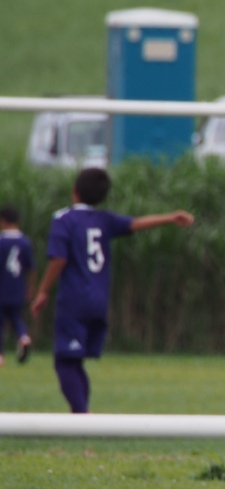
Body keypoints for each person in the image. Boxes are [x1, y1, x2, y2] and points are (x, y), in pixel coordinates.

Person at [31, 168, 194, 413]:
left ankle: (83, 417)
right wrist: (170, 217)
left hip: (75, 300)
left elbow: (59, 259)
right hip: (99, 301)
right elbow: (135, 223)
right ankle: (83, 414)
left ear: (75, 191)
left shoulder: (64, 219)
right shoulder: (103, 219)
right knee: (75, 362)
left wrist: (43, 291)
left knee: (64, 362)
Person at [0, 205, 36, 367]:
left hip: (2, 288)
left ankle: (0, 355)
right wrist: (30, 287)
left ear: (3, 221)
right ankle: (24, 337)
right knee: (16, 318)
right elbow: (32, 268)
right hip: (18, 288)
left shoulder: (1, 242)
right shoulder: (25, 242)